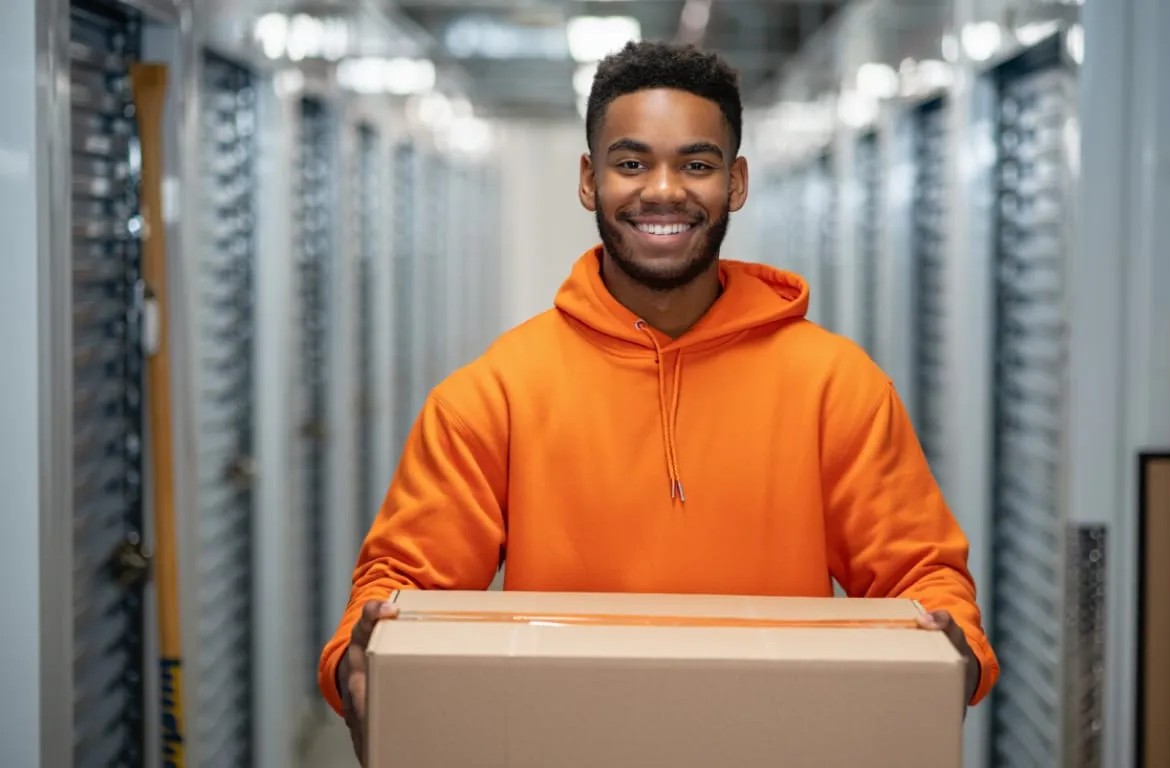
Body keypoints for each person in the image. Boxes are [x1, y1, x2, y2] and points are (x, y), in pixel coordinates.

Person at [320, 40, 999, 757]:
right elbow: (400, 589)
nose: (665, 190)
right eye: (632, 162)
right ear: (590, 180)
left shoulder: (838, 387)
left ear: (736, 183)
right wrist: (359, 659)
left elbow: (922, 577)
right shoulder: (495, 394)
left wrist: (950, 644)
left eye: (697, 164)